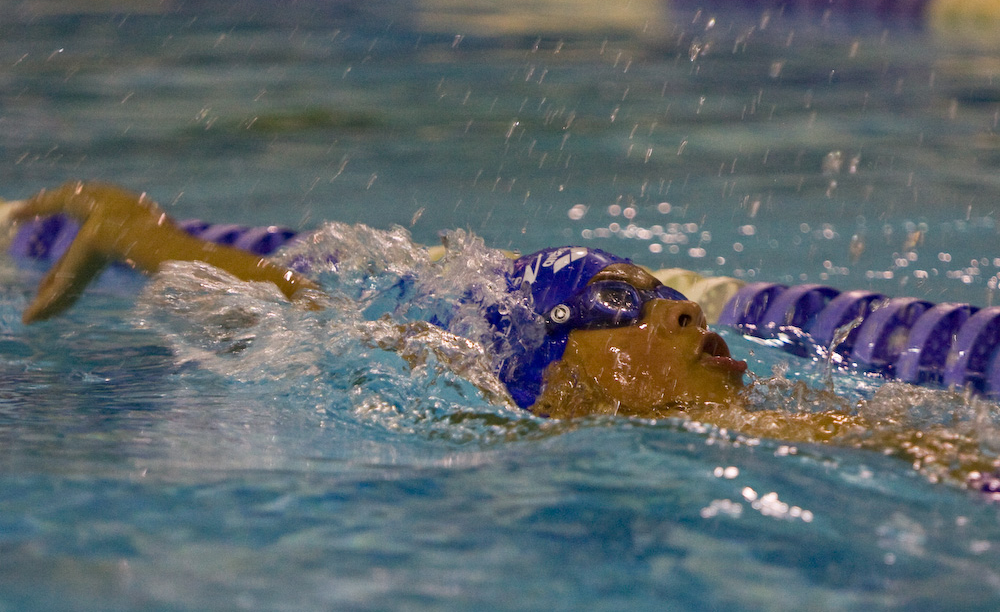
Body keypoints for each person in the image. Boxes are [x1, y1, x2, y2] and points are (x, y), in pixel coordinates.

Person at [6, 181, 1000, 491]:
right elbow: (315, 316)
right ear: (555, 373)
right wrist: (151, 239)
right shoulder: (483, 414)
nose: (685, 310)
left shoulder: (779, 415)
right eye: (619, 301)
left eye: (669, 295)